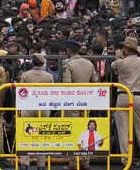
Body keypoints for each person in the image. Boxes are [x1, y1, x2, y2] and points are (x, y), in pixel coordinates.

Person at [111, 37, 140, 168]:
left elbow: (113, 66)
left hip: (123, 96)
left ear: (126, 49)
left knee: (123, 130)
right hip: (138, 97)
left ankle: (126, 160)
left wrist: (118, 57)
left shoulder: (120, 63)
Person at [61, 39, 99, 170]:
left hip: (72, 102)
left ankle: (73, 163)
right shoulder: (89, 63)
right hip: (86, 101)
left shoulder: (68, 65)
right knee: (86, 131)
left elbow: (67, 85)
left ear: (68, 51)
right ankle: (85, 161)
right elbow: (95, 81)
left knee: (73, 131)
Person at [19, 53, 54, 170]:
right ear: (43, 63)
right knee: (42, 136)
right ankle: (41, 164)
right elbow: (52, 94)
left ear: (32, 63)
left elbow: (21, 92)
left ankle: (24, 163)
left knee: (25, 135)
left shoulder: (25, 75)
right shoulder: (49, 76)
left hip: (28, 107)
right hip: (43, 108)